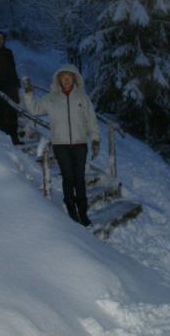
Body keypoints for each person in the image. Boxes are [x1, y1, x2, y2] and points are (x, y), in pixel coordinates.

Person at [23, 65, 101, 227]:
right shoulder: (51, 98)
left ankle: (83, 213)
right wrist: (29, 93)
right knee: (68, 178)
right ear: (58, 79)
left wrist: (95, 139)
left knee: (79, 179)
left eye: (69, 77)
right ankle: (72, 211)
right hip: (61, 145)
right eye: (63, 77)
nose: (66, 80)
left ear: (74, 78)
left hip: (80, 144)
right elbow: (34, 109)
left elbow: (91, 120)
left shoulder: (82, 97)